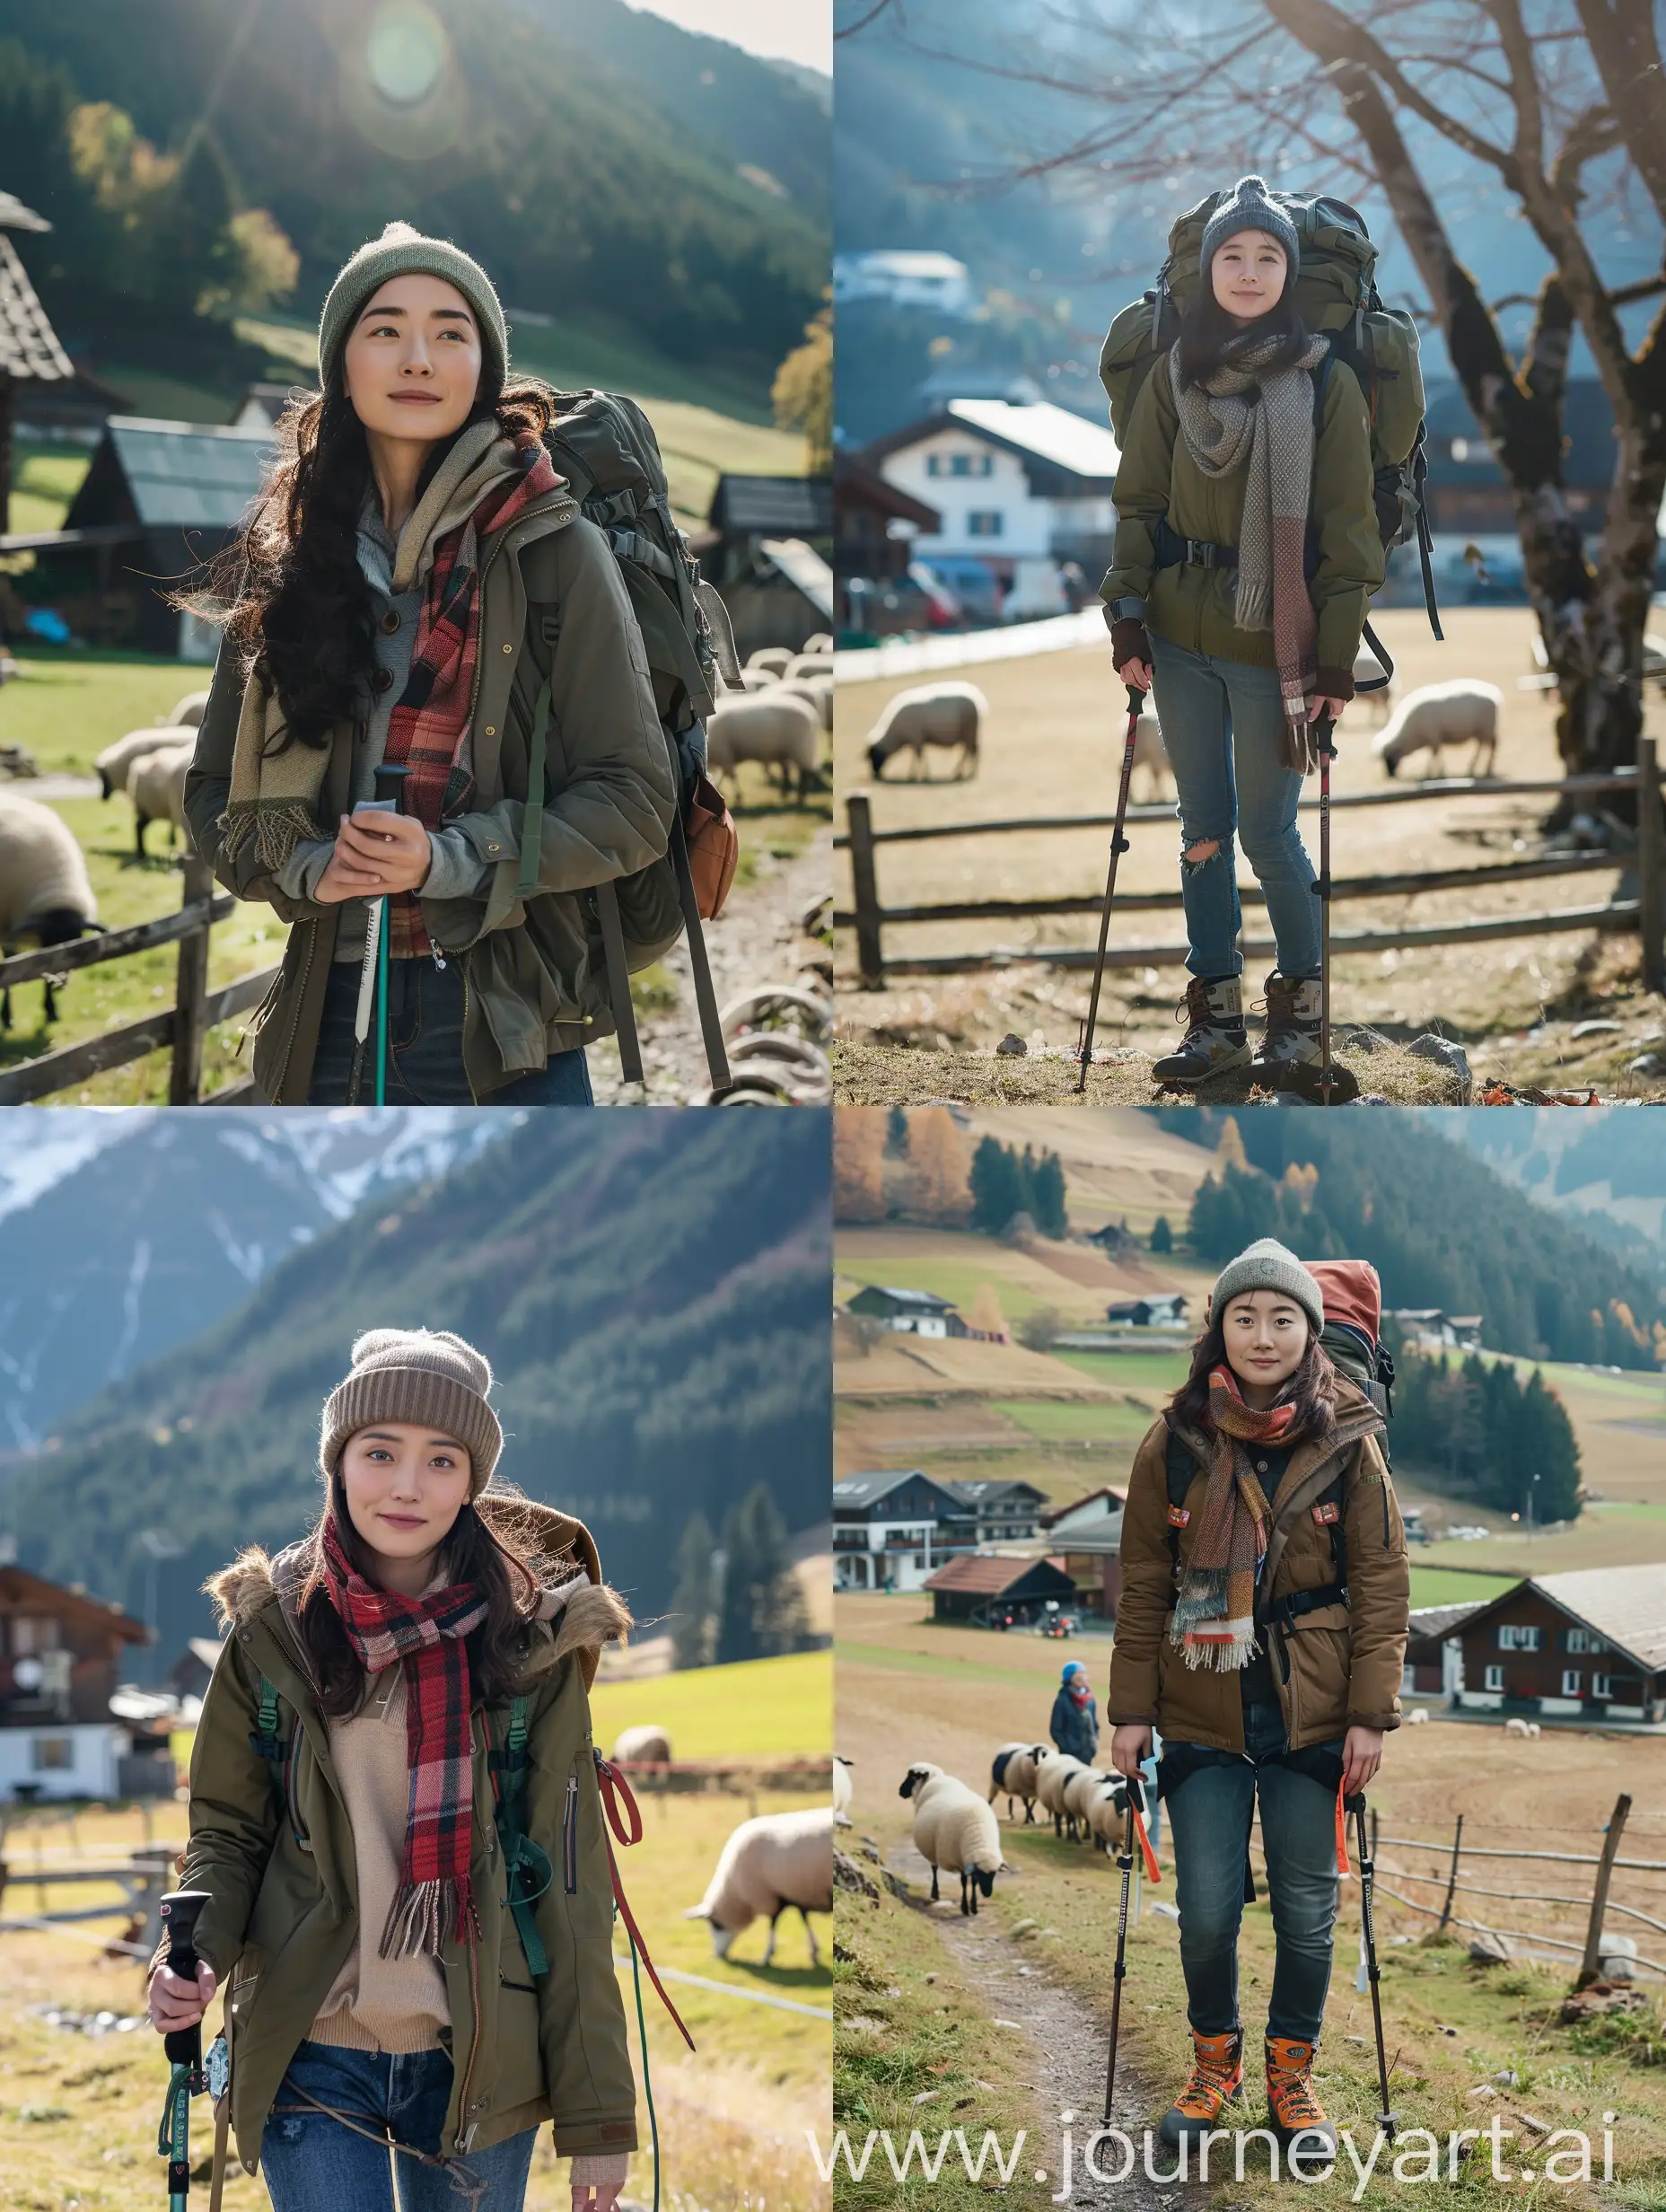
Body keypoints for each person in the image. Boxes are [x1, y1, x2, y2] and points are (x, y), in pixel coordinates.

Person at [185, 222, 680, 1106]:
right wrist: (305, 867)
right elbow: (213, 792)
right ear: (343, 363)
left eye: (450, 332)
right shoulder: (287, 561)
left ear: (481, 370)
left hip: (502, 1025)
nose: (418, 356)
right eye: (385, 329)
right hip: (324, 1020)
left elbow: (635, 797)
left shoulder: (553, 547)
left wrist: (451, 856)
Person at [147, 1328, 639, 2210]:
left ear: (471, 1480)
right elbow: (227, 1831)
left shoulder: (533, 1649)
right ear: (339, 1462)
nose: (407, 1485)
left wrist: (598, 2121)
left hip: (479, 2055)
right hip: (309, 2046)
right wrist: (196, 1956)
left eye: (441, 1459)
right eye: (380, 1452)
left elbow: (571, 1893)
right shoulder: (271, 1637)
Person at [1106, 1240, 1408, 2155]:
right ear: (1218, 1330)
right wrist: (1126, 1712)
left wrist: (1367, 1715)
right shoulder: (1173, 1439)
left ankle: (1291, 2084)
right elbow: (1144, 1583)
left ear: (1310, 1333)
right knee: (1203, 1913)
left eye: (1282, 1318)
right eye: (1245, 1317)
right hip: (1201, 1702)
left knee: (1306, 1922)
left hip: (1311, 1711)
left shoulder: (1349, 1438)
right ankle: (1213, 2068)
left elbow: (1381, 1585)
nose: (1263, 1335)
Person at [1100, 177, 1383, 1087]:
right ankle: (1211, 1024)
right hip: (1178, 639)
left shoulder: (1325, 386)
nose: (1249, 271)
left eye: (1266, 256)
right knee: (1200, 829)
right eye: (1232, 255)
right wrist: (1125, 615)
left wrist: (1335, 652)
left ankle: (1297, 1024)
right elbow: (1136, 504)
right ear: (1207, 270)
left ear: (1288, 270)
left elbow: (1346, 530)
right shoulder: (1170, 378)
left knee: (1268, 835)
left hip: (1280, 647)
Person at [1049, 1658, 1099, 1762]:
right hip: (1069, 1757)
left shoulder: (1090, 1700)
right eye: (1079, 1675)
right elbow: (1056, 1730)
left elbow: (1094, 1725)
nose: (1083, 1677)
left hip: (1087, 1754)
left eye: (1084, 1674)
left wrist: (1093, 1744)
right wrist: (1068, 1748)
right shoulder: (1063, 1700)